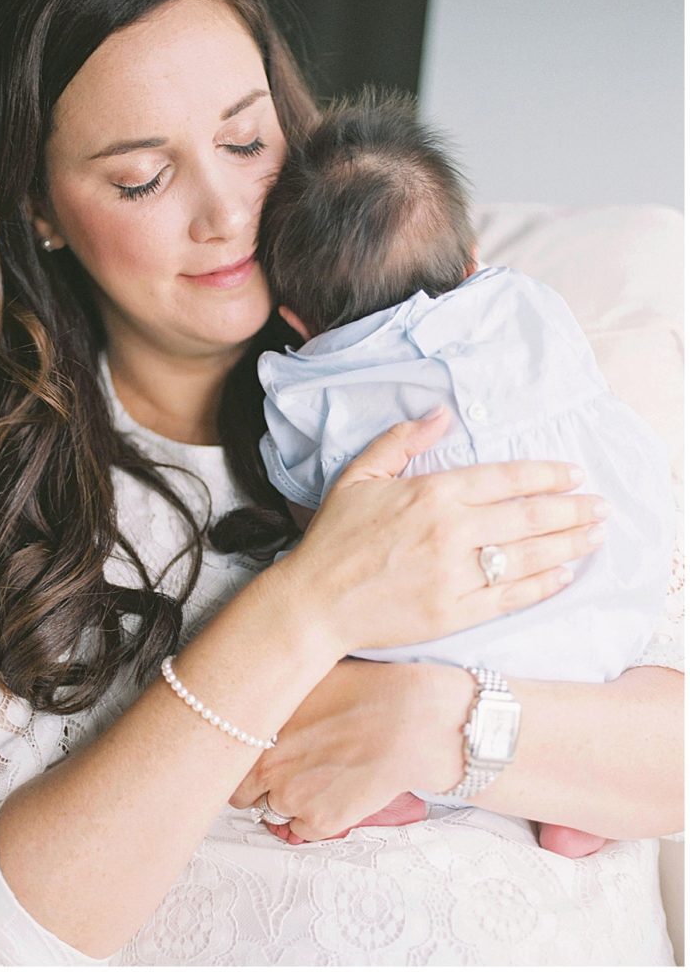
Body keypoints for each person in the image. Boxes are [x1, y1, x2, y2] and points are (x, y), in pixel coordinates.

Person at [0, 0, 681, 966]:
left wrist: (424, 719)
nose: (229, 215)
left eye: (246, 139)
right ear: (40, 209)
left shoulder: (487, 351)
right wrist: (305, 607)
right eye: (142, 178)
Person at [248, 91, 676, 858]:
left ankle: (405, 788)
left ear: (296, 321)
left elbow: (319, 515)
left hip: (460, 629)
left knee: (336, 595)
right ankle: (576, 798)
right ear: (473, 263)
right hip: (600, 576)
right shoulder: (528, 303)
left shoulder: (309, 383)